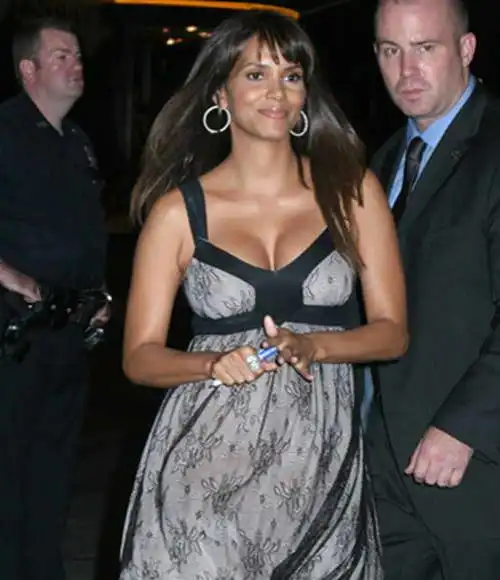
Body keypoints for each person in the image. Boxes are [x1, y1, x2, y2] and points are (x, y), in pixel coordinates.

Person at [120, 10, 407, 579]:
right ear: (220, 95)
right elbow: (139, 358)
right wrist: (212, 364)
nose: (277, 91)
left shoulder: (353, 192)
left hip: (317, 468)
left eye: (291, 75)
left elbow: (393, 333)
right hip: (205, 466)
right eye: (255, 74)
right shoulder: (177, 213)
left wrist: (316, 347)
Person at [366, 0, 500, 578]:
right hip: (384, 467)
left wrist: (464, 426)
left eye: (426, 48)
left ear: (466, 50)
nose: (407, 71)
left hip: (474, 470)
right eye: (390, 50)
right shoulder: (383, 161)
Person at [0, 17, 109, 580]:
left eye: (78, 55)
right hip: (14, 334)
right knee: (9, 475)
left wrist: (98, 295)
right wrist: (13, 279)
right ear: (29, 69)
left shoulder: (77, 141)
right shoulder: (5, 131)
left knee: (53, 473)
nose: (76, 64)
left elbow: (82, 231)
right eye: (62, 55)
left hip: (67, 335)